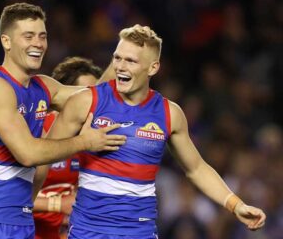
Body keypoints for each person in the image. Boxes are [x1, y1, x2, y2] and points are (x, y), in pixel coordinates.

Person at [47, 24, 267, 238]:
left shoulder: (169, 114)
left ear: (153, 67)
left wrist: (235, 204)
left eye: (131, 60)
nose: (121, 67)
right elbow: (42, 156)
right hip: (89, 230)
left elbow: (197, 169)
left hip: (139, 232)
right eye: (117, 58)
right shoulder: (86, 102)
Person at [0, 3, 126, 239]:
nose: (38, 43)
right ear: (6, 41)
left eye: (42, 36)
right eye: (28, 36)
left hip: (20, 223)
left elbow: (96, 96)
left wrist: (121, 58)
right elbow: (28, 153)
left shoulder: (44, 87)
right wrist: (85, 142)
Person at [33, 57, 103, 239]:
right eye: (87, 95)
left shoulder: (94, 139)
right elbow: (7, 196)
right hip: (27, 230)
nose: (93, 103)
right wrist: (57, 204)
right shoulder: (37, 131)